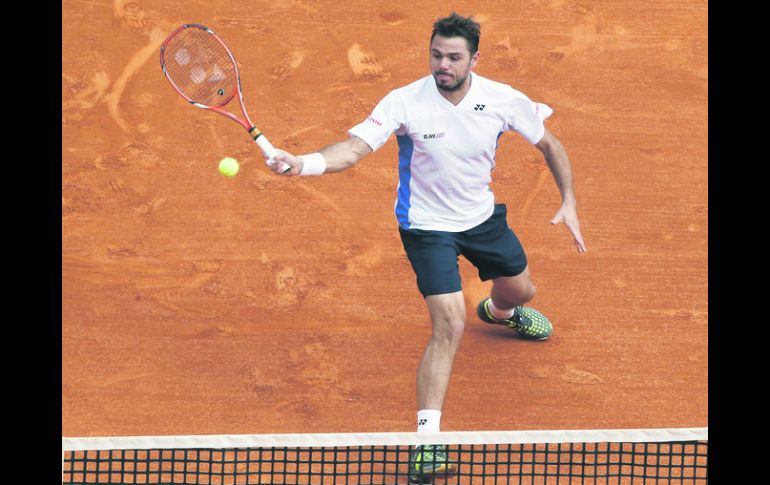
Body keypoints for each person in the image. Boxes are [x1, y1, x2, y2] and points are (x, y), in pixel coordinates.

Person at [268, 12, 587, 483]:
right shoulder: (404, 102)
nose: (443, 65)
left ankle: (501, 315)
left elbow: (552, 146)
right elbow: (353, 149)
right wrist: (304, 163)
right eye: (437, 54)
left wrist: (570, 200)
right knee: (449, 323)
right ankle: (426, 444)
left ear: (474, 59)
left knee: (521, 291)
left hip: (480, 219)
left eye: (454, 57)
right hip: (427, 227)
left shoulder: (502, 99)